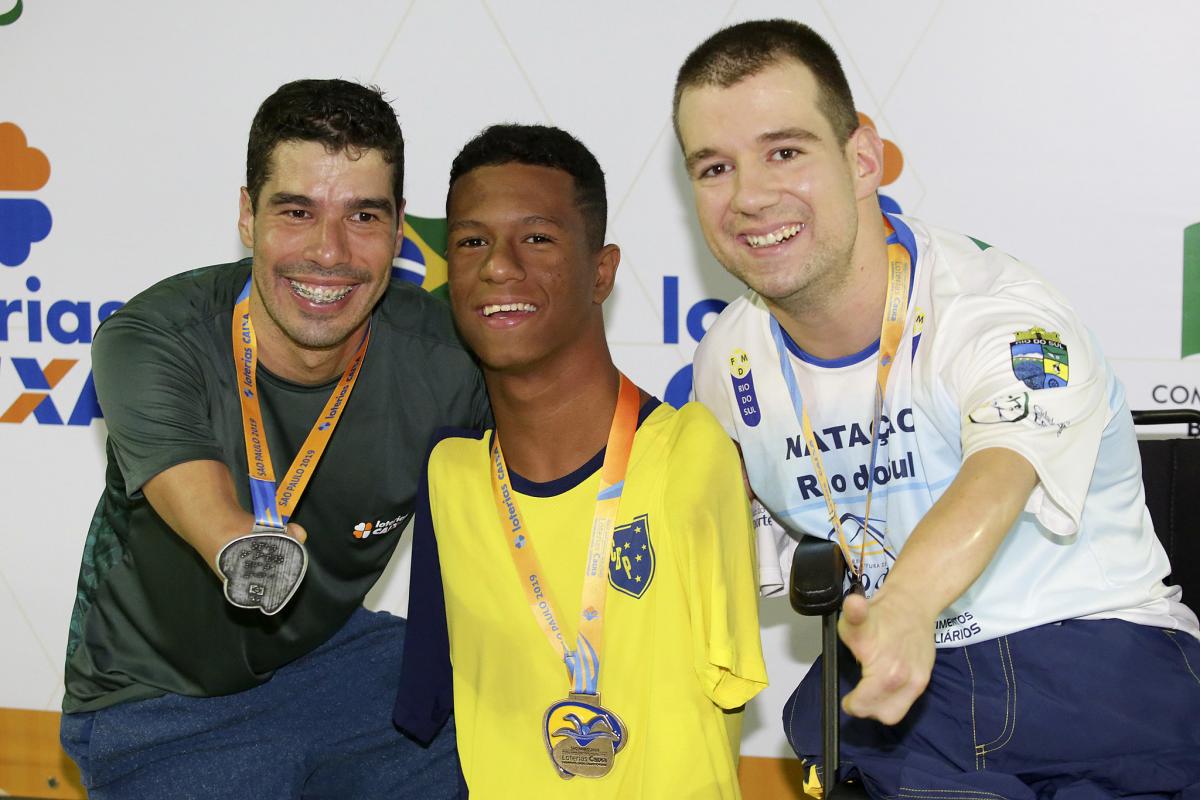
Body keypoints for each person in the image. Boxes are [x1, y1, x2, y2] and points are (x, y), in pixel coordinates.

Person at [673, 19, 1200, 798]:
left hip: (1091, 664)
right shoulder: (729, 362)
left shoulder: (998, 310)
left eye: (784, 152)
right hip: (907, 703)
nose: (750, 196)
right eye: (714, 167)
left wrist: (909, 604)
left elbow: (1001, 469)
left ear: (859, 159)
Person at [60, 78, 488, 799]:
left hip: (331, 664)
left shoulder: (446, 353)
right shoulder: (152, 336)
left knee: (521, 730)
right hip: (156, 705)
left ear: (398, 228)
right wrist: (241, 543)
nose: (330, 252)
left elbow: (565, 452)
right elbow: (198, 498)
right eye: (297, 211)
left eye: (363, 215)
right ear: (246, 216)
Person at [393, 124, 768, 798]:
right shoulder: (450, 477)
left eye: (537, 238)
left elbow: (728, 691)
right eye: (472, 241)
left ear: (602, 272)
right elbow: (431, 707)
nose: (499, 266)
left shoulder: (689, 454)